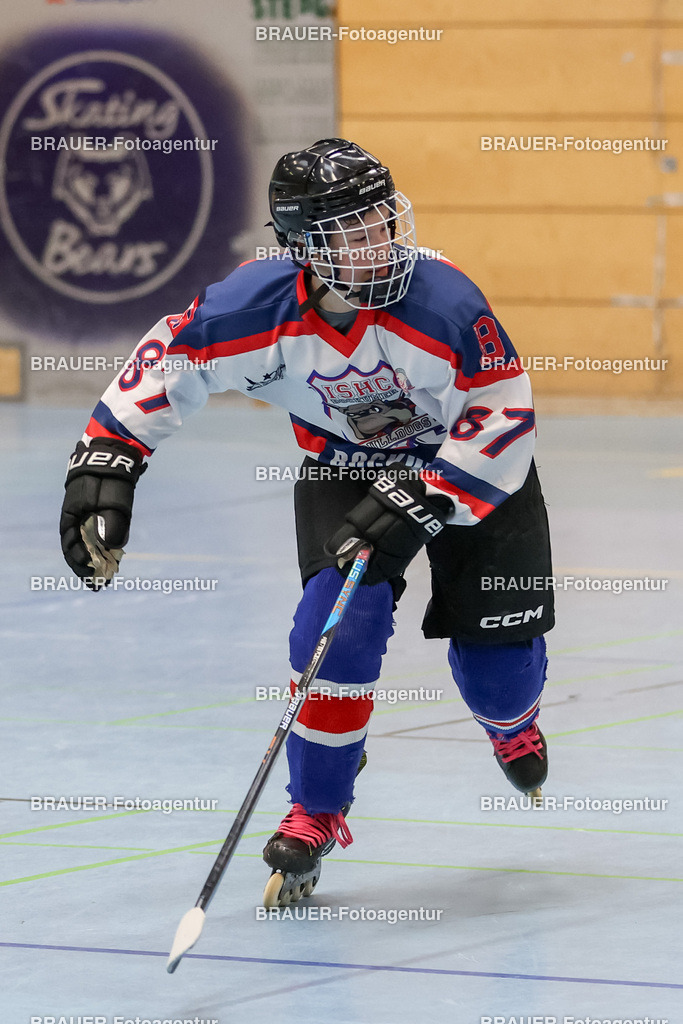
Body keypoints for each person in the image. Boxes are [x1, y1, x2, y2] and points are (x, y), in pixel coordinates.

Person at [60, 138, 555, 906]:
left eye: (380, 221)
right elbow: (166, 360)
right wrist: (106, 458)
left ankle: (509, 723)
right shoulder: (248, 310)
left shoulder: (448, 304)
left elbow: (503, 416)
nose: (376, 243)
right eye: (348, 233)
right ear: (301, 250)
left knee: (499, 663)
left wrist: (427, 494)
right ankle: (317, 810)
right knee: (332, 630)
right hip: (344, 469)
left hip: (473, 472)